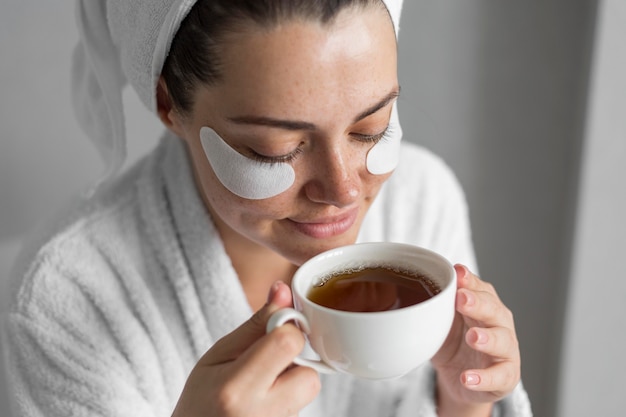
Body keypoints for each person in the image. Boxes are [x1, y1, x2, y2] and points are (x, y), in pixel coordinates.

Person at [1, 0, 532, 416]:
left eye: (373, 128)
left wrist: (466, 400)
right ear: (168, 105)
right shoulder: (66, 297)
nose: (344, 188)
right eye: (277, 150)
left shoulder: (423, 200)